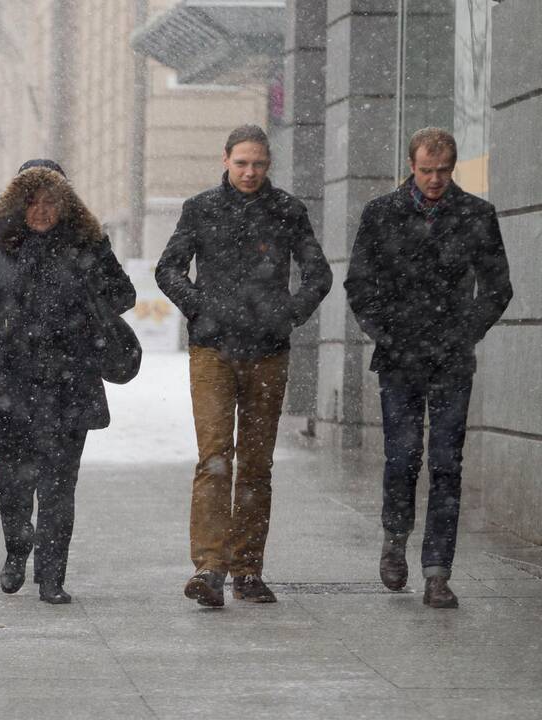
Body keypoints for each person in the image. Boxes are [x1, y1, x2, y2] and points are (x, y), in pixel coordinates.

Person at [0, 159, 136, 604]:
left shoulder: (88, 244)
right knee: (12, 486)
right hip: (11, 383)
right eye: (33, 202)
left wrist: (91, 284)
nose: (42, 211)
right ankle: (17, 545)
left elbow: (125, 295)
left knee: (60, 486)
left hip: (70, 382)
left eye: (52, 202)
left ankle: (51, 577)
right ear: (18, 204)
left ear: (66, 205)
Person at [155, 125, 331, 608]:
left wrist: (288, 314)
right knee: (214, 458)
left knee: (256, 464)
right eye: (241, 163)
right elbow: (168, 268)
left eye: (258, 164)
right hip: (213, 349)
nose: (250, 172)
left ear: (268, 164)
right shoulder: (201, 209)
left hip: (267, 351)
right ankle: (210, 567)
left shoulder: (287, 211)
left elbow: (319, 273)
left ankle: (248, 569)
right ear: (226, 160)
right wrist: (199, 308)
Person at [345, 127, 512, 609]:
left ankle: (438, 569)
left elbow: (498, 287)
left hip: (451, 357)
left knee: (446, 462)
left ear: (452, 167)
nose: (435, 179)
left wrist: (465, 331)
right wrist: (386, 331)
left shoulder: (476, 214)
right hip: (399, 356)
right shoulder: (382, 213)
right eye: (426, 170)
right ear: (411, 167)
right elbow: (360, 283)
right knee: (402, 456)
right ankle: (395, 538)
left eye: (443, 171)